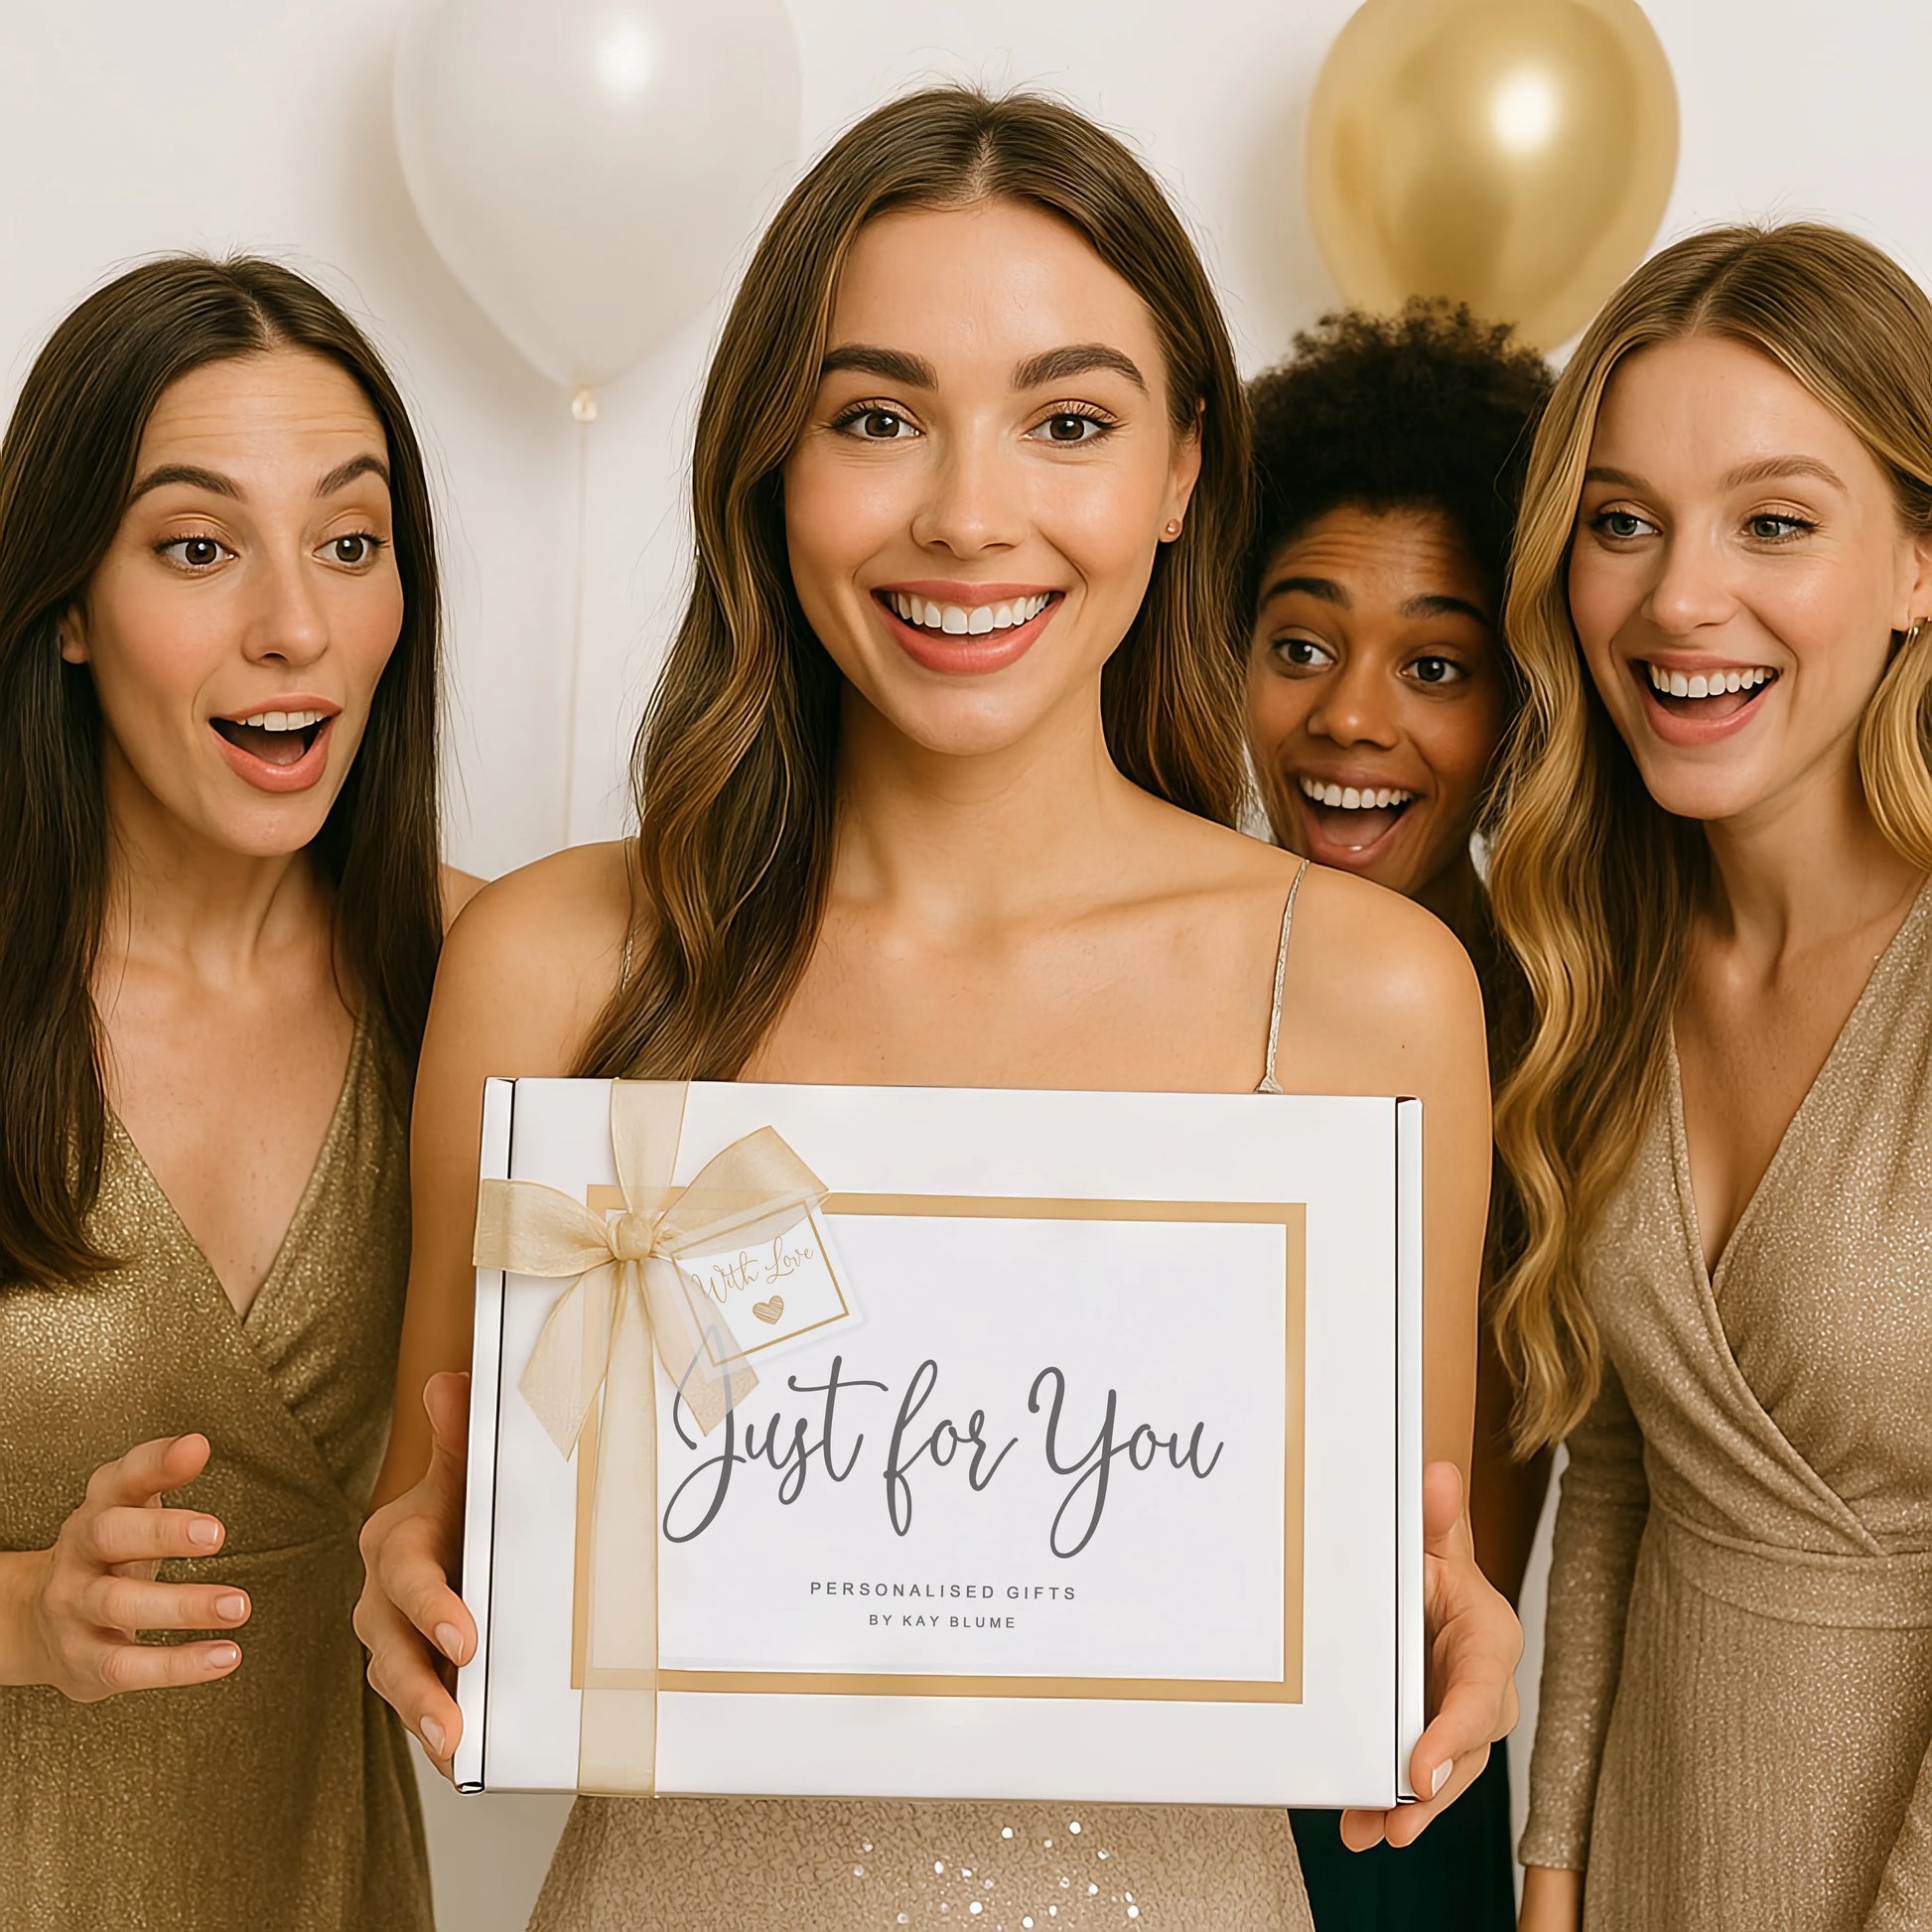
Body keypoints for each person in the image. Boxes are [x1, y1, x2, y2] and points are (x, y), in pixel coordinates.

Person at [357, 87, 1521, 1931]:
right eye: (879, 417)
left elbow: (1409, 1576)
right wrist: (416, 1571)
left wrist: (1442, 1639)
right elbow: (438, 1518)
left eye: (1066, 421)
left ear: (1179, 474)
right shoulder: (556, 961)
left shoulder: (1372, 992)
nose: (968, 515)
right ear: (769, 462)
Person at [0, 256, 469, 1932]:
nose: (296, 622)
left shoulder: (485, 973)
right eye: (198, 547)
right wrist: (24, 1612)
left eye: (350, 542)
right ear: (64, 604)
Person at [1490, 223, 1932, 1932]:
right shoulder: (1597, 957)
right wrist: (1555, 1881)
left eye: (1772, 521)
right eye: (1622, 521)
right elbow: (1621, 1470)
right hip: (1661, 1862)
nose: (1678, 597)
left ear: (1916, 560)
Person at [1244, 302, 1553, 1929]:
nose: (1352, 717)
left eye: (1434, 666)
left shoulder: (1564, 1030)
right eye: (1300, 643)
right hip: (1125, 1752)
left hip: (1397, 1777)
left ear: (1522, 701)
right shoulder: (1137, 976)